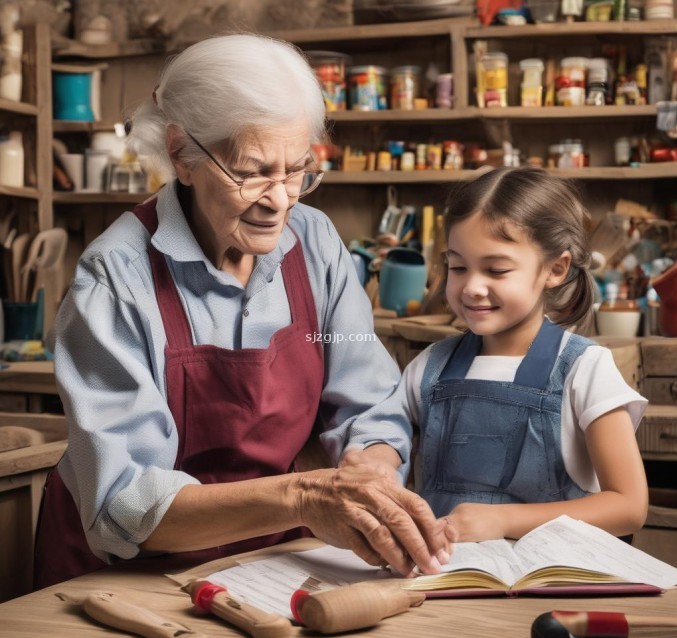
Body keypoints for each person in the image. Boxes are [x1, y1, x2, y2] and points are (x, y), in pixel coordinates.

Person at [33, 34, 453, 589]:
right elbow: (124, 504)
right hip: (126, 573)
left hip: (264, 560)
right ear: (183, 154)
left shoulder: (317, 244)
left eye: (297, 170)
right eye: (252, 172)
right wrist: (305, 496)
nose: (279, 199)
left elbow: (369, 398)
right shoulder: (115, 278)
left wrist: (369, 473)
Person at [372, 166, 649, 542]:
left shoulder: (583, 369)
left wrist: (503, 521)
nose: (471, 287)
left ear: (555, 268)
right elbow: (381, 441)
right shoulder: (429, 368)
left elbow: (629, 507)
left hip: (548, 584)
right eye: (457, 267)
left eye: (496, 270)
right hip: (445, 584)